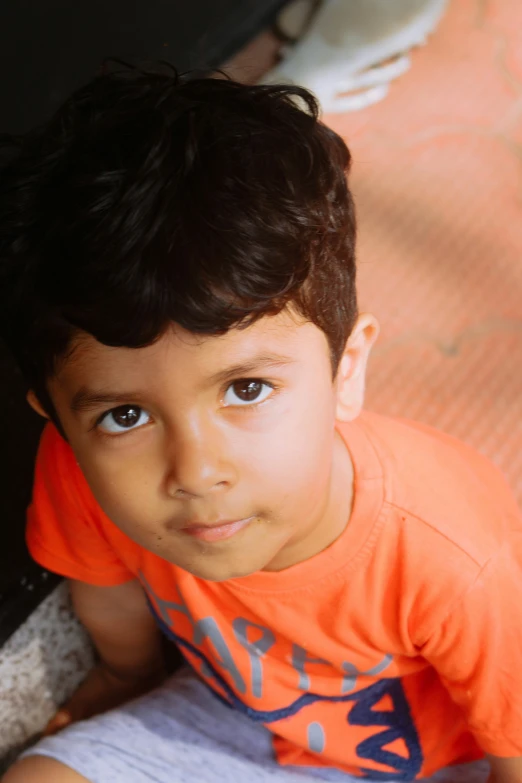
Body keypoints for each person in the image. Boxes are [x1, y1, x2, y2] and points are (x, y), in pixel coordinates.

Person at [0, 64, 521, 783]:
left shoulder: (454, 557)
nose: (196, 470)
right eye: (127, 414)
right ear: (59, 419)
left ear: (347, 371)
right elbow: (107, 590)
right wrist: (125, 680)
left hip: (429, 764)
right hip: (234, 715)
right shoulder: (79, 462)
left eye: (246, 388)